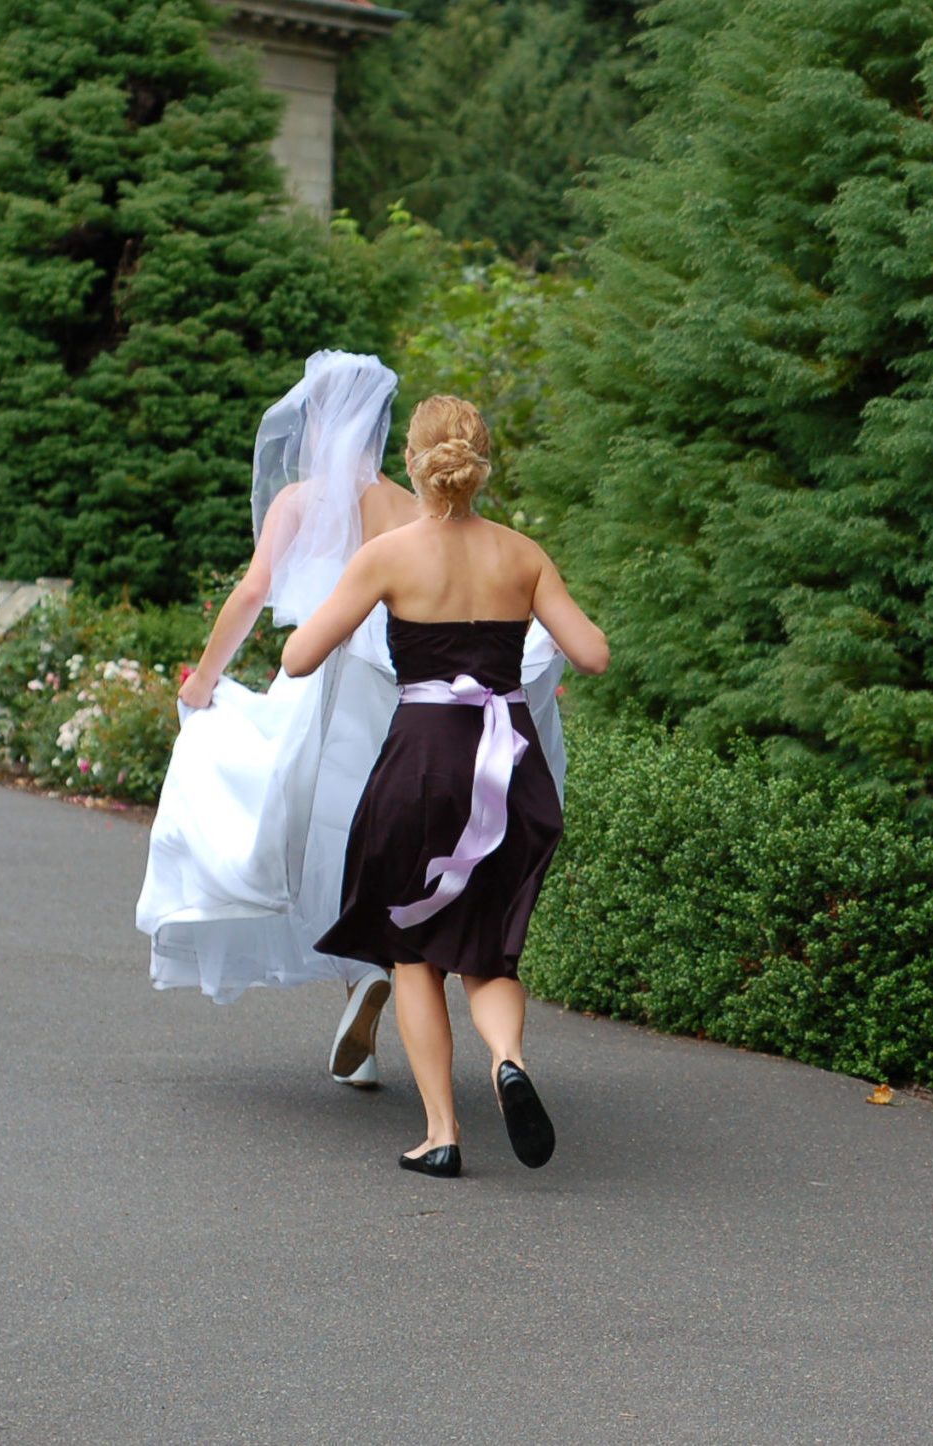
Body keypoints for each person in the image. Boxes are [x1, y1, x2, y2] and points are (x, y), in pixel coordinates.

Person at [135, 357, 569, 1090]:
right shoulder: (406, 505)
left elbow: (251, 594)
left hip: (319, 696)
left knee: (311, 838)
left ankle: (362, 991)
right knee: (381, 852)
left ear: (314, 421)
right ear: (383, 427)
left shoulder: (300, 502)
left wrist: (204, 682)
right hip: (395, 701)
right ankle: (373, 994)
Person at [284, 396, 607, 1177]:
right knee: (486, 952)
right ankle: (508, 1059)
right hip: (508, 768)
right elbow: (592, 654)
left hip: (423, 765)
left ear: (413, 464)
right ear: (482, 462)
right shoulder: (522, 554)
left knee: (413, 949)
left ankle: (441, 1133)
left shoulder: (389, 555)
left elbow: (299, 658)